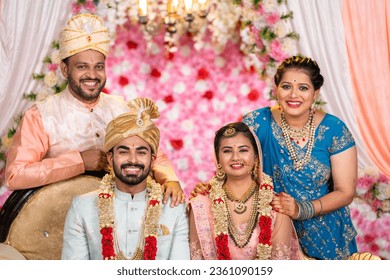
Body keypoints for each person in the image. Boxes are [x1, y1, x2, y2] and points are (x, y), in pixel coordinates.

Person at [5, 13, 183, 206]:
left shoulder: (122, 107)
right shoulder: (42, 115)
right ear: (65, 69)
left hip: (123, 213)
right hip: (60, 219)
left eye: (98, 67)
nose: (92, 75)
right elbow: (16, 175)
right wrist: (79, 161)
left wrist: (170, 179)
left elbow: (152, 152)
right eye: (82, 67)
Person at [242, 55, 358, 259]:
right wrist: (215, 184)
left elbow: (345, 192)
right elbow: (232, 159)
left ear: (316, 93)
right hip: (274, 232)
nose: (293, 95)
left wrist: (300, 209)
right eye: (286, 86)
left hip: (327, 237)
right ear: (276, 88)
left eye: (303, 88)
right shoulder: (257, 123)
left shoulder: (334, 129)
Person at [61, 97, 190, 260]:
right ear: (110, 158)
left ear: (153, 160)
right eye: (123, 152)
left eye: (141, 152)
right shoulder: (82, 207)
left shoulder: (173, 208)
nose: (133, 160)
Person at [189, 122, 304, 260]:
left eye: (243, 150)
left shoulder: (276, 205)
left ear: (256, 157)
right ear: (217, 158)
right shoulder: (200, 205)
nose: (235, 157)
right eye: (227, 151)